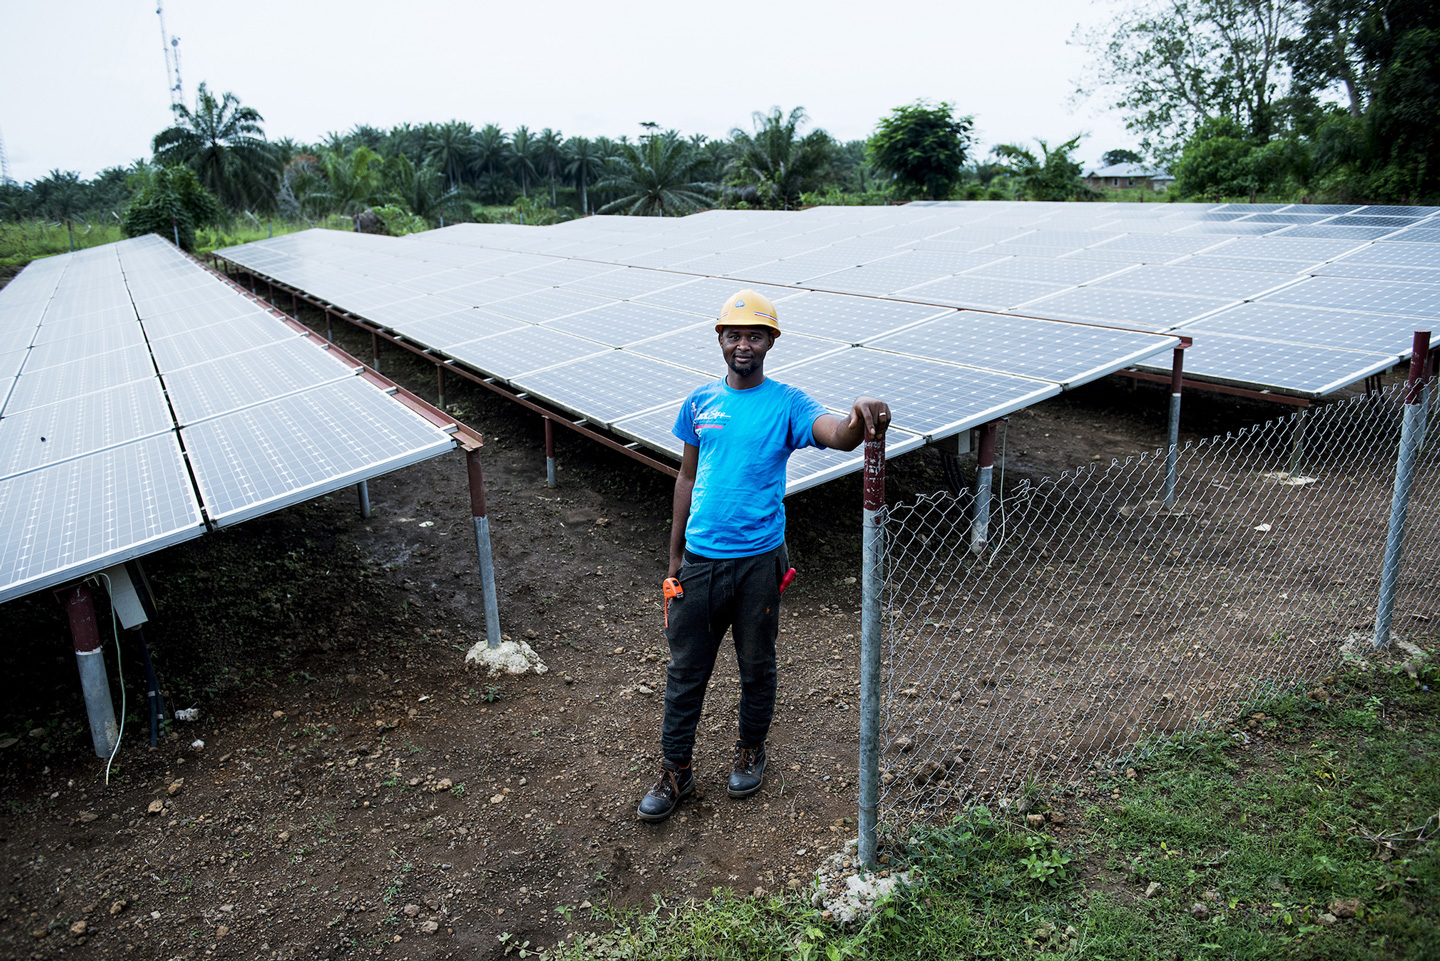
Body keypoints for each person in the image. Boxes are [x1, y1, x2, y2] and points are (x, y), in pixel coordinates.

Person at [637, 289, 891, 822]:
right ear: (720, 340)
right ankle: (675, 769)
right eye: (734, 335)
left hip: (759, 562)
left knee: (756, 665)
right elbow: (686, 478)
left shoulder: (788, 403)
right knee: (685, 672)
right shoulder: (698, 403)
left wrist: (858, 417)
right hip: (700, 561)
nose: (743, 345)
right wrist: (674, 557)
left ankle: (750, 750)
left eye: (755, 336)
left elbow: (837, 435)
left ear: (771, 342)